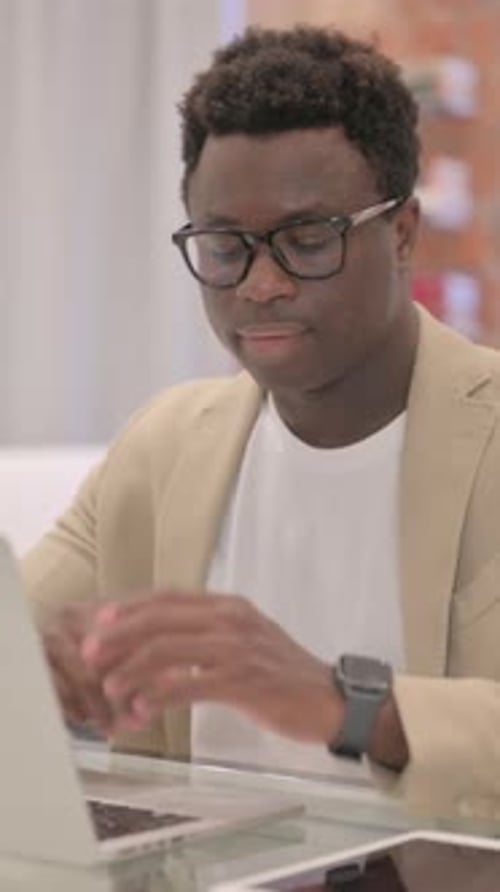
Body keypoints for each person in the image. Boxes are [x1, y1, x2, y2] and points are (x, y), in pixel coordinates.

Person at [23, 25, 500, 819]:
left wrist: (348, 706)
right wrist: (48, 667)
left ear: (405, 232)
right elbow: (26, 636)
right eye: (225, 247)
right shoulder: (166, 445)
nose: (262, 284)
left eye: (308, 241)